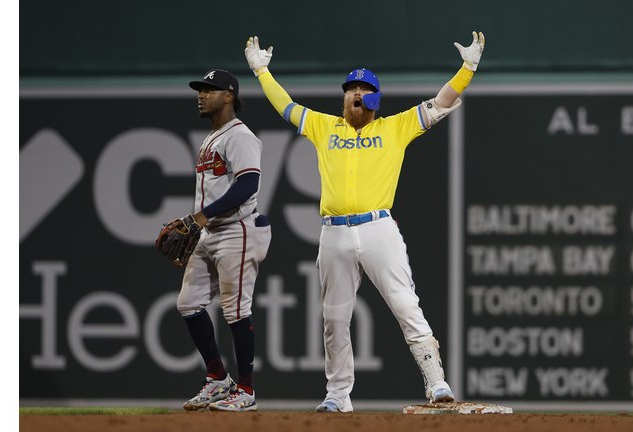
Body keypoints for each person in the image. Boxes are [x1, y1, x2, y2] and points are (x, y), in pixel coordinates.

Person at [244, 33, 485, 412]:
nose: (354, 94)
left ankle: (437, 382)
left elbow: (441, 103)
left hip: (378, 229)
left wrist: (467, 68)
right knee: (334, 319)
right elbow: (286, 106)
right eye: (350, 89)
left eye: (362, 89)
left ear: (374, 97)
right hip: (333, 232)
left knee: (406, 304)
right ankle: (338, 396)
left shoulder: (393, 128)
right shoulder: (325, 127)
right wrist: (261, 71)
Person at [173, 69, 271, 412]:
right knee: (188, 303)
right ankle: (218, 378)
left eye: (209, 90)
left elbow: (247, 185)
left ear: (228, 96)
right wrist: (198, 222)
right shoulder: (211, 138)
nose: (201, 94)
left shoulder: (240, 137)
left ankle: (246, 390)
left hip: (238, 229)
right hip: (211, 232)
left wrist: (198, 217)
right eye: (200, 90)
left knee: (236, 310)